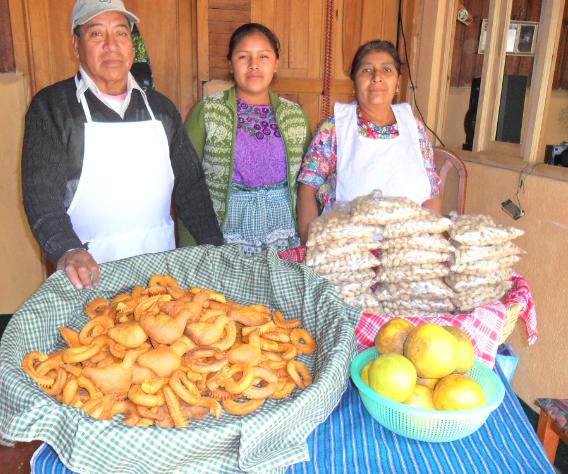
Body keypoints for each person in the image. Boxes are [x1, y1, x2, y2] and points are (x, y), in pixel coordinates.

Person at [22, 0, 222, 290]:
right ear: (76, 44)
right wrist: (67, 249)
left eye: (121, 33)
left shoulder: (161, 109)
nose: (111, 45)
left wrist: (215, 248)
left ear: (131, 44)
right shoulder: (52, 107)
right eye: (96, 34)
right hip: (88, 281)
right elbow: (40, 194)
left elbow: (191, 188)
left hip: (159, 280)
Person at [180, 23, 311, 255]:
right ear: (230, 64)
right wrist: (192, 248)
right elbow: (186, 181)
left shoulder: (294, 115)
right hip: (225, 230)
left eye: (264, 56)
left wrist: (308, 237)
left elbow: (307, 184)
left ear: (276, 63)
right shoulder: (208, 111)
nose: (254, 64)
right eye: (243, 56)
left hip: (283, 229)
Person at [297, 40, 442, 243]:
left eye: (387, 69)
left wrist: (433, 244)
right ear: (354, 83)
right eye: (366, 70)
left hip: (408, 249)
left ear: (397, 82)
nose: (377, 77)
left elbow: (431, 192)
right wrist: (310, 244)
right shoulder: (336, 127)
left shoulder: (414, 127)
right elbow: (307, 190)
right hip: (347, 249)